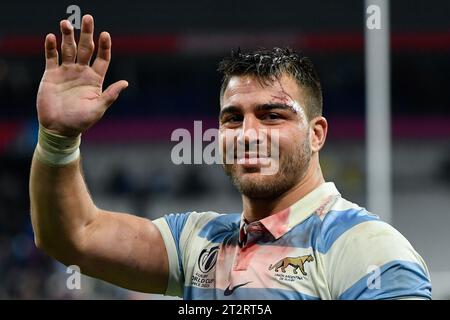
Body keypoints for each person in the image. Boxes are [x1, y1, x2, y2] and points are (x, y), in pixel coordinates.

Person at [30, 14, 432, 300]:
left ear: (316, 134)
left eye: (272, 116)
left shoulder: (365, 248)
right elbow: (73, 236)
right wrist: (58, 140)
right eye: (233, 118)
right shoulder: (197, 242)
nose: (248, 133)